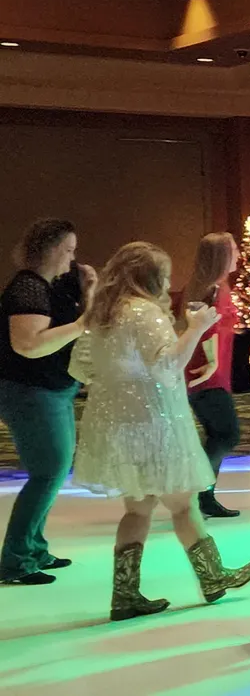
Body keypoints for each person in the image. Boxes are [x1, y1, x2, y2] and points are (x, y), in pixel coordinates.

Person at [69, 242, 250, 621]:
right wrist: (197, 328)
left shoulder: (102, 314)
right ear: (150, 278)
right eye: (165, 276)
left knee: (137, 509)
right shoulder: (144, 313)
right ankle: (213, 577)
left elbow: (80, 369)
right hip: (153, 420)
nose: (169, 282)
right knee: (182, 502)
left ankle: (126, 594)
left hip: (115, 423)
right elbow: (168, 367)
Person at [0, 219, 95, 585]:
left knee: (52, 471)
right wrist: (82, 324)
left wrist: (89, 293)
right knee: (48, 472)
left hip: (50, 389)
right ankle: (16, 558)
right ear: (53, 249)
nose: (73, 258)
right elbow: (28, 344)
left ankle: (34, 548)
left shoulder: (47, 287)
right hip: (29, 391)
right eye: (69, 250)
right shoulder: (27, 288)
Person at [177, 232, 243, 518]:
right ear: (221, 256)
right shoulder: (214, 290)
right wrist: (213, 361)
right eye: (234, 250)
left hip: (208, 372)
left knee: (220, 433)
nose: (239, 254)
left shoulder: (206, 287)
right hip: (206, 374)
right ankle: (198, 492)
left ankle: (203, 495)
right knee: (226, 433)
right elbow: (208, 328)